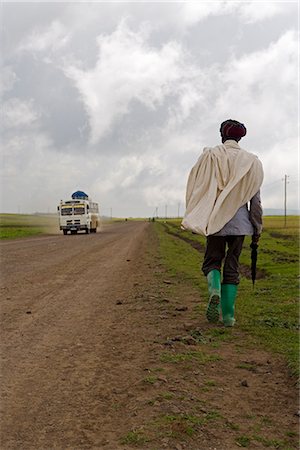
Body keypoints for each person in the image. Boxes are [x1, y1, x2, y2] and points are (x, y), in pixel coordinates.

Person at [182, 119, 263, 326]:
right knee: (233, 266)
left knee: (212, 261)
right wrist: (257, 228)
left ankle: (214, 291)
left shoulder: (211, 156)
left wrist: (197, 217)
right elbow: (255, 201)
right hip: (240, 225)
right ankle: (228, 317)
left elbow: (199, 188)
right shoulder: (252, 162)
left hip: (216, 222)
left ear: (222, 135)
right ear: (240, 137)